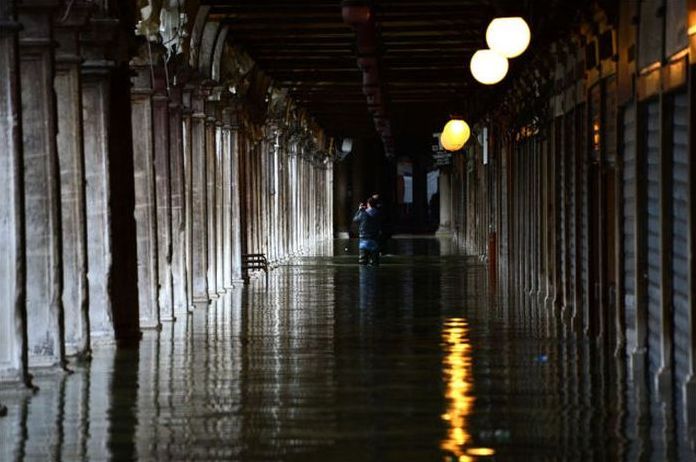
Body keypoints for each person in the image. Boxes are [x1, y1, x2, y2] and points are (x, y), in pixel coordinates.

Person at [353, 197, 382, 265]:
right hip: (374, 241)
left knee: (363, 263)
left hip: (363, 241)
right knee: (375, 263)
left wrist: (360, 210)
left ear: (368, 204)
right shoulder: (379, 214)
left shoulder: (363, 213)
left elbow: (355, 219)